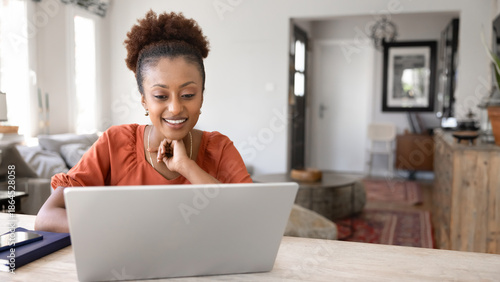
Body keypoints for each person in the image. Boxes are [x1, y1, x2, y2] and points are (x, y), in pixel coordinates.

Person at [35, 10, 252, 233]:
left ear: (202, 96)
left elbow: (251, 219)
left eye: (188, 94)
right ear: (144, 101)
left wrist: (186, 167)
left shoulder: (220, 148)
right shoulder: (114, 143)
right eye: (160, 96)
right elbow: (47, 217)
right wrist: (123, 230)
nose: (175, 108)